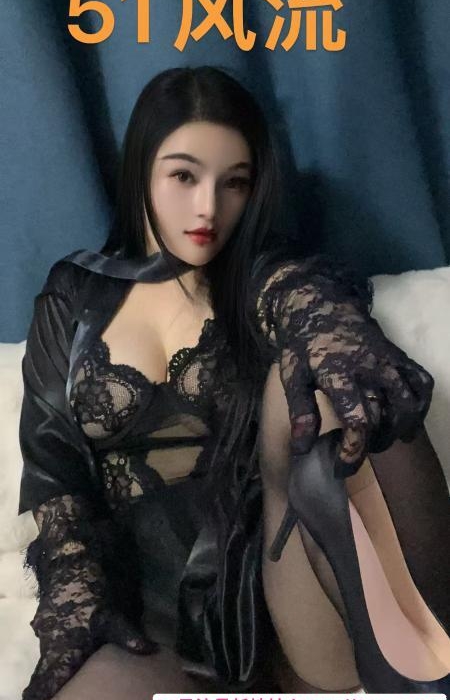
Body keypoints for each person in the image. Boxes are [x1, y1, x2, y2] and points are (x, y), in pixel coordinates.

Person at [17, 66, 447, 699]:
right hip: (150, 622)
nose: (208, 208)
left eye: (234, 182)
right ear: (141, 172)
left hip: (283, 602)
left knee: (329, 379)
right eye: (184, 176)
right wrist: (78, 610)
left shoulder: (267, 274)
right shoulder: (73, 296)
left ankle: (427, 661)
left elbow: (305, 302)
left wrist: (336, 341)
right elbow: (57, 482)